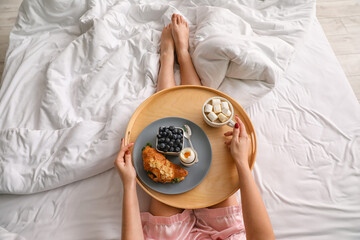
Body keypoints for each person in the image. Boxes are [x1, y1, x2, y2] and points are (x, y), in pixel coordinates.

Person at [114, 14, 275, 240]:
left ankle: (167, 60)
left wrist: (129, 184)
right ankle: (184, 55)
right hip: (225, 233)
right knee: (201, 135)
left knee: (167, 139)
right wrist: (241, 163)